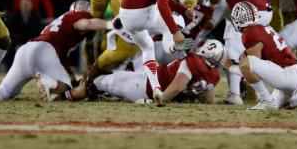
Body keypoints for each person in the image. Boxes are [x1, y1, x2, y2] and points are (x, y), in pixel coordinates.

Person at [0, 1, 107, 101]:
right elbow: (85, 24)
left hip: (26, 50)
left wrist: (72, 78)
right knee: (65, 88)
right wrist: (112, 24)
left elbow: (63, 59)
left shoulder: (58, 22)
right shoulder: (79, 17)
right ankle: (48, 81)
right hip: (45, 51)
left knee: (2, 93)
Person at [104, 0, 195, 106]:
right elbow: (162, 3)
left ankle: (156, 89)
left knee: (148, 47)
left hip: (126, 15)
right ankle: (171, 45)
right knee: (174, 22)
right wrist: (175, 31)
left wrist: (182, 9)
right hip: (142, 14)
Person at [230, 1, 297, 111]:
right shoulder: (264, 27)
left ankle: (265, 100)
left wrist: (245, 77)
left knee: (245, 63)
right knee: (279, 107)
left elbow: (253, 61)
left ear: (240, 19)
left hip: (287, 74)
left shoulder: (250, 32)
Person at [72, 40, 223, 104]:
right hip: (154, 75)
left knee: (100, 81)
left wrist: (157, 100)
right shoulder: (213, 74)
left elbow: (177, 86)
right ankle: (110, 89)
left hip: (146, 87)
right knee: (140, 57)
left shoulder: (192, 63)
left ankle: (70, 94)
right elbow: (208, 98)